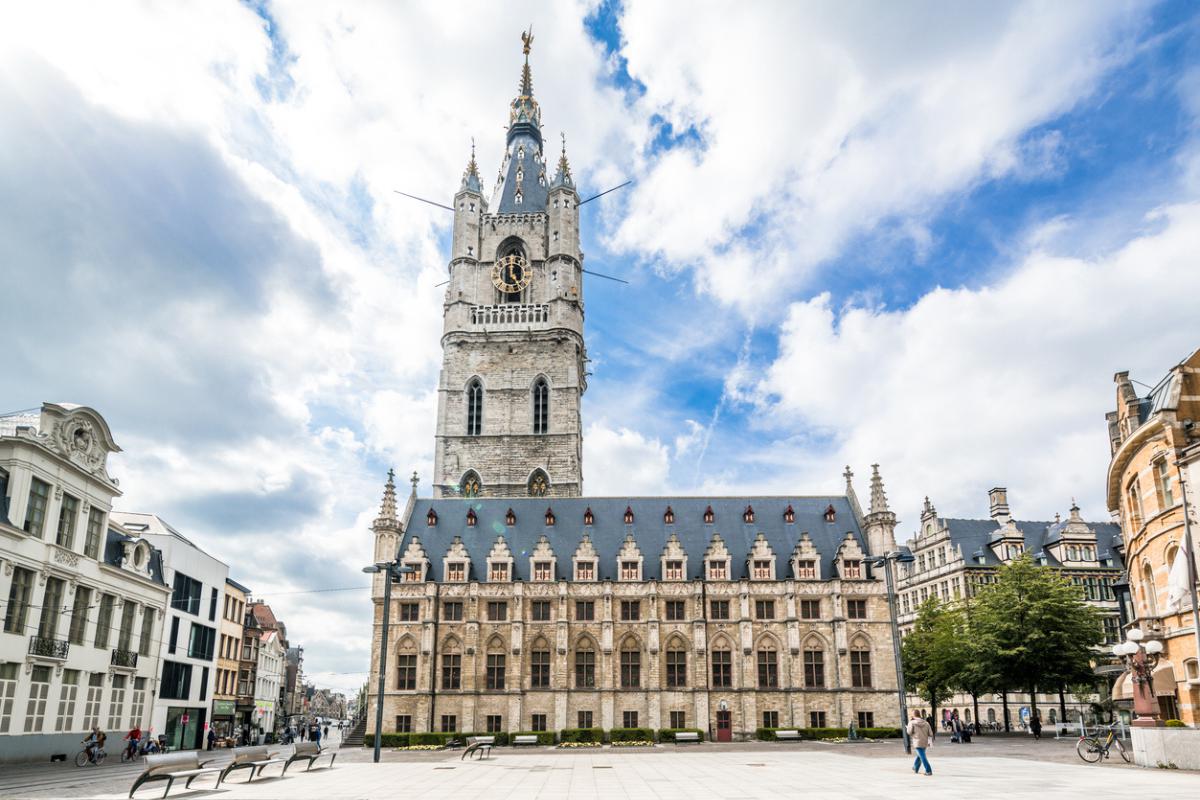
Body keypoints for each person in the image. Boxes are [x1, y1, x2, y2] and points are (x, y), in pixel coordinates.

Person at [907, 711, 933, 776]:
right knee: (920, 755)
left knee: (922, 756)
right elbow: (931, 733)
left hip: (917, 742)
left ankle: (928, 770)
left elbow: (909, 732)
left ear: (913, 715)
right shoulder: (926, 723)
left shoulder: (912, 722)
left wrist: (908, 727)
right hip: (924, 742)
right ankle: (915, 767)